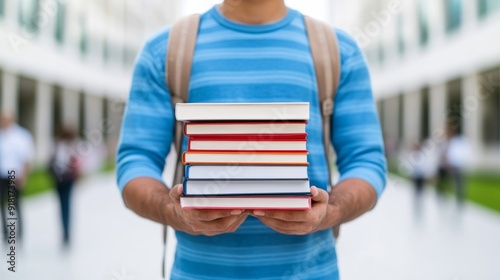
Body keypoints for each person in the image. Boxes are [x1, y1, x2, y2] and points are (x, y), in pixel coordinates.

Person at [116, 1, 387, 279]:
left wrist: (330, 212)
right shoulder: (166, 51)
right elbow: (136, 161)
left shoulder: (338, 51)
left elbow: (366, 161)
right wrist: (172, 212)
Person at [0, 112, 34, 243]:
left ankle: (18, 234)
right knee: (3, 205)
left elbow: (27, 158)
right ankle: (5, 233)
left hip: (15, 175)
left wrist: (24, 176)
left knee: (15, 205)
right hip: (2, 174)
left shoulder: (21, 136)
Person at [49, 127, 80, 246]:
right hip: (60, 179)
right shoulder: (59, 145)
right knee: (64, 205)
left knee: (65, 205)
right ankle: (65, 231)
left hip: (66, 179)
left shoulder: (67, 146)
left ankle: (66, 232)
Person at [437, 122, 470, 205]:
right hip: (444, 166)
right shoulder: (444, 141)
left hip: (455, 166)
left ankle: (459, 201)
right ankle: (442, 200)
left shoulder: (459, 141)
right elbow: (441, 154)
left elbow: (461, 154)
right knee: (441, 185)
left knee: (458, 184)